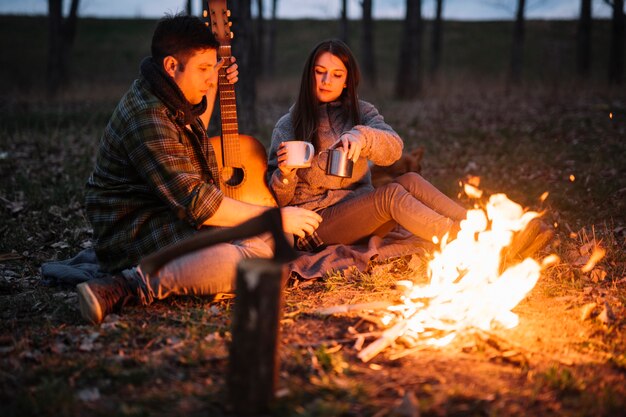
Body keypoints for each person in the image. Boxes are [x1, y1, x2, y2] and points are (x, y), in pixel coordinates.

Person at [77, 14, 321, 324]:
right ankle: (129, 286)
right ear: (171, 66)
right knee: (259, 253)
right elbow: (198, 204)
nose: (210, 77)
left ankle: (203, 272)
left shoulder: (165, 95)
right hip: (135, 230)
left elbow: (195, 137)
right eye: (204, 69)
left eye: (212, 68)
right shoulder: (147, 116)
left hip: (166, 212)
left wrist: (214, 83)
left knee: (272, 243)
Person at [267, 39, 467, 252]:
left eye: (337, 74)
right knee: (390, 196)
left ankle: (476, 226)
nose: (327, 80)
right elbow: (277, 200)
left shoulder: (361, 112)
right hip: (315, 225)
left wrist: (362, 137)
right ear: (310, 75)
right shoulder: (288, 125)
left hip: (362, 211)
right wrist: (285, 173)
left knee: (410, 180)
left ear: (346, 81)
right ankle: (464, 242)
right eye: (319, 71)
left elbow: (394, 149)